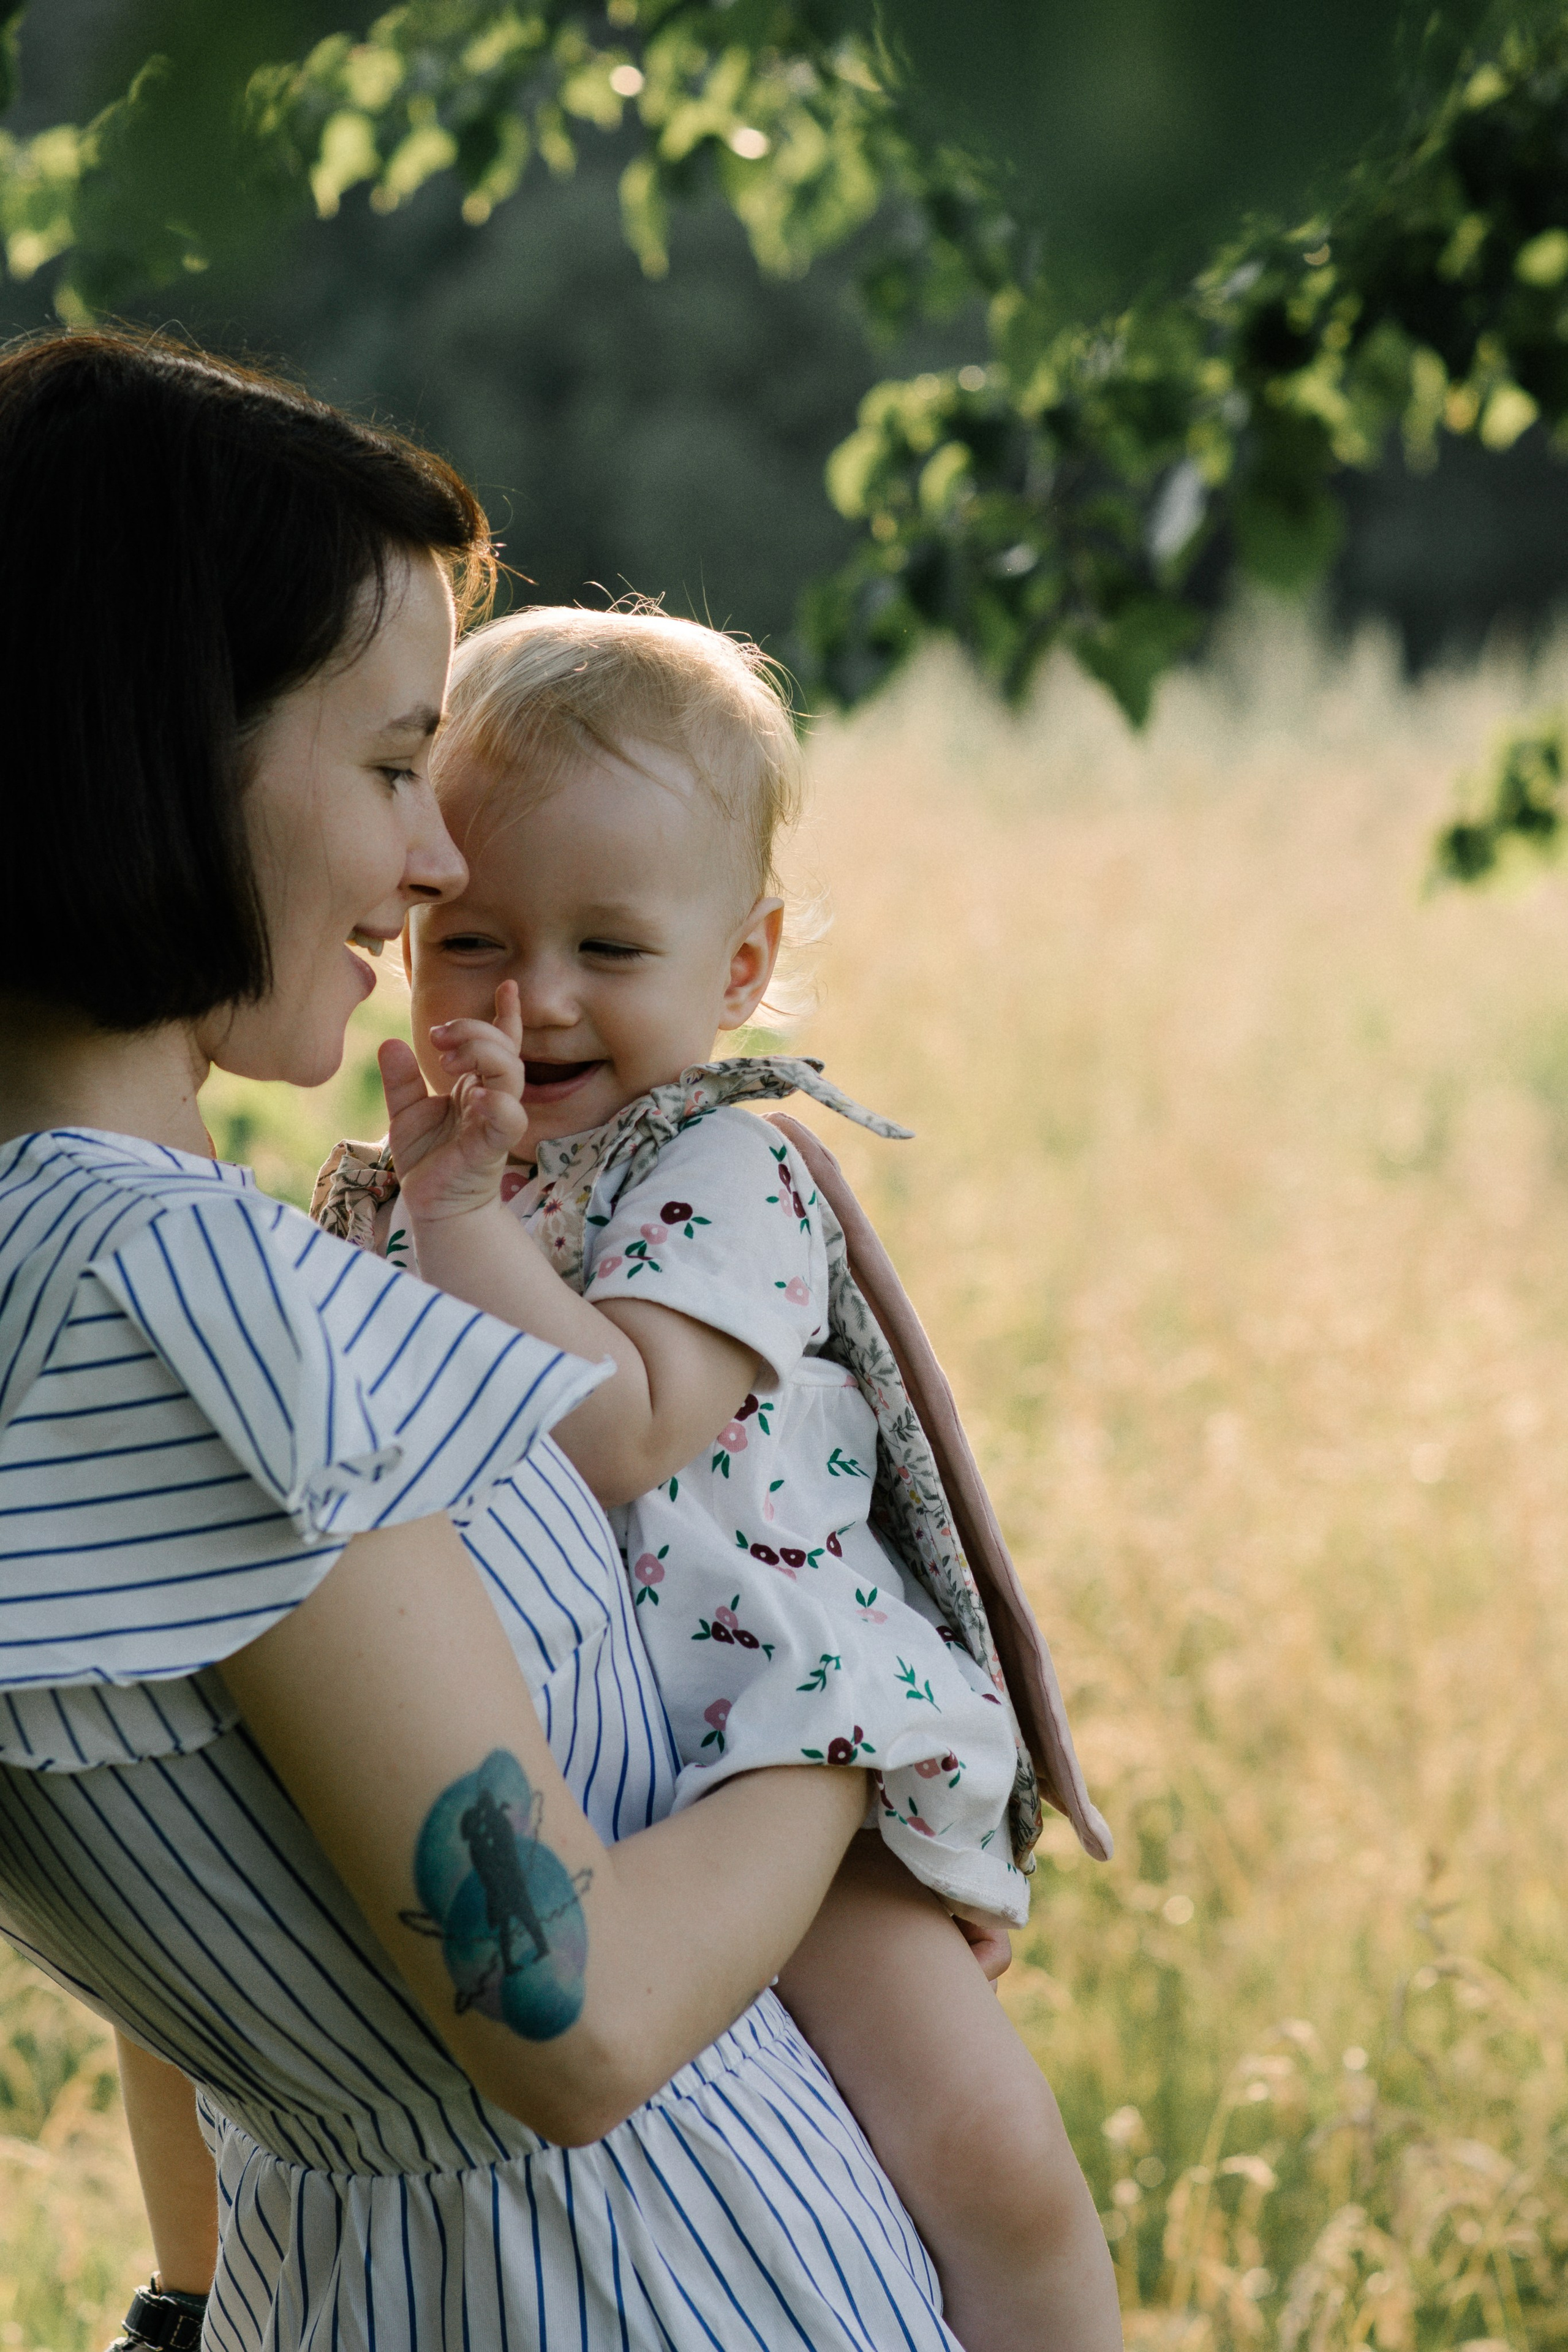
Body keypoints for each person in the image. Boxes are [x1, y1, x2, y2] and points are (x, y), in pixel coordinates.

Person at [0, 328, 1003, 2351]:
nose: (439, 863)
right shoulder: (198, 1310)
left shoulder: (103, 1271)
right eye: (389, 766)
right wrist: (845, 1722)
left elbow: (207, 1917)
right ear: (164, 744)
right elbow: (582, 2018)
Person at [311, 605, 1121, 2352]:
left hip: (772, 1746)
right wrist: (431, 1206)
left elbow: (627, 1426)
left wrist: (458, 1222)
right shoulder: (412, 1181)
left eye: (611, 943)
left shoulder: (722, 1167)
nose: (536, 1001)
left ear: (740, 968)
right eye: (475, 944)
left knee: (985, 2159)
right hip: (558, 1778)